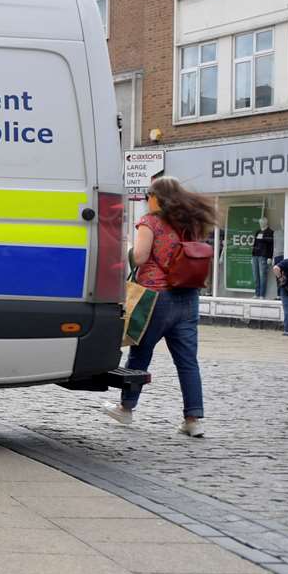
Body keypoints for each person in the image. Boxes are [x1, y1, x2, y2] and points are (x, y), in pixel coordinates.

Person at [106, 175, 215, 437]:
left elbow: (141, 257)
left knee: (140, 354)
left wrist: (128, 250)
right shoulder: (192, 224)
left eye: (147, 197)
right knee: (188, 362)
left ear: (155, 198)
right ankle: (193, 418)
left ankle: (126, 408)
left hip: (155, 297)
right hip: (188, 297)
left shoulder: (150, 222)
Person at [252, 219, 275, 299]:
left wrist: (270, 257)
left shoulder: (270, 232)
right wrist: (252, 255)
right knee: (255, 275)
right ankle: (257, 293)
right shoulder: (257, 231)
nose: (261, 224)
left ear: (266, 223)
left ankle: (262, 294)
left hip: (264, 255)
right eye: (260, 222)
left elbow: (271, 246)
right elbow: (255, 244)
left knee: (263, 275)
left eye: (262, 222)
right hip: (255, 255)